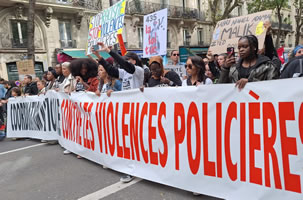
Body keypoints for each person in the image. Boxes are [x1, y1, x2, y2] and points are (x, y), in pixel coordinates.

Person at [93, 42, 144, 183]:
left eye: (127, 60)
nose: (124, 63)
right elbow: (111, 70)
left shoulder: (137, 70)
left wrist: (110, 51)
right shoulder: (124, 72)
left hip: (138, 111)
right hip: (127, 111)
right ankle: (129, 167)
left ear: (133, 61)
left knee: (135, 142)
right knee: (128, 141)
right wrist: (99, 56)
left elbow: (125, 64)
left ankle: (134, 169)